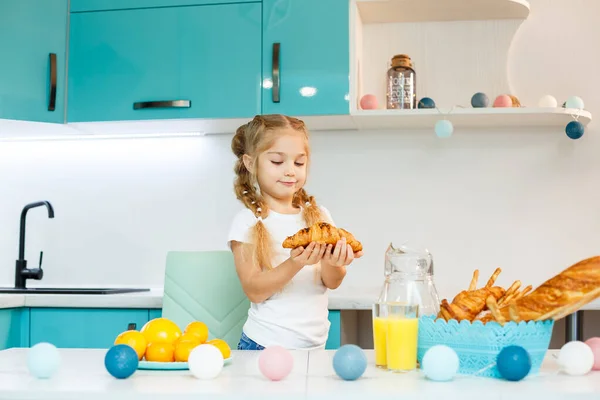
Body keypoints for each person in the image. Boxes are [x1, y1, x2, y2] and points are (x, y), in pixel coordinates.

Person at [227, 114, 363, 351]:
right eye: (278, 162)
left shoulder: (319, 216)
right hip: (264, 346)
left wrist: (335, 262)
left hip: (314, 347)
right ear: (251, 163)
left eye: (299, 163)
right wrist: (295, 263)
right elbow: (254, 290)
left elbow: (332, 281)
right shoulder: (248, 221)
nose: (290, 171)